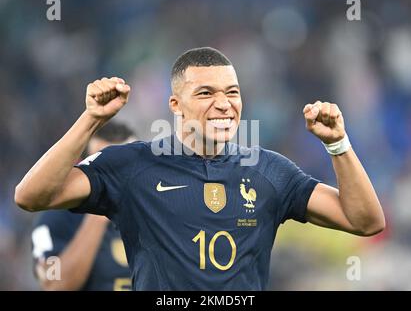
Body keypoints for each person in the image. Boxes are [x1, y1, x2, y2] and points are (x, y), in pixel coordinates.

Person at [15, 47, 385, 290]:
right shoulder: (132, 165)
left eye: (233, 92)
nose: (224, 104)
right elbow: (31, 196)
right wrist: (90, 119)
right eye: (206, 93)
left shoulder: (269, 171)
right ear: (175, 104)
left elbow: (366, 221)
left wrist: (338, 144)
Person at [31, 122, 136, 291]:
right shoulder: (55, 218)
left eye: (125, 165)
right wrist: (98, 209)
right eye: (103, 168)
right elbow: (54, 285)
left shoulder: (155, 209)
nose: (116, 177)